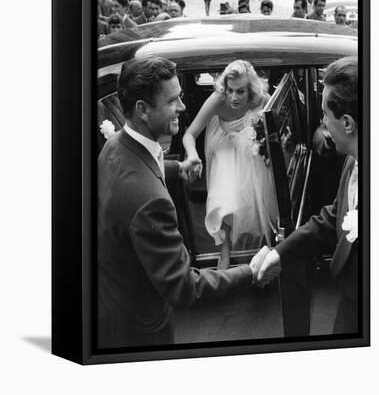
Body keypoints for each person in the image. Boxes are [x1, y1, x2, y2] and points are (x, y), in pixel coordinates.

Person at [97, 57, 255, 348]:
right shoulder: (150, 202)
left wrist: (176, 168)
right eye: (173, 100)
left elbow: (142, 168)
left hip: (112, 302)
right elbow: (184, 287)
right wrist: (250, 272)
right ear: (143, 110)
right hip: (140, 331)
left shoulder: (114, 144)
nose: (183, 107)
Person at [251, 56, 358, 334]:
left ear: (347, 123)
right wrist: (280, 253)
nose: (322, 122)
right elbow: (335, 215)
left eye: (325, 114)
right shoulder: (352, 160)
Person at [182, 60, 279, 269]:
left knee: (257, 194)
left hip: (249, 144)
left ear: (250, 90)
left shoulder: (261, 98)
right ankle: (224, 252)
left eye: (240, 92)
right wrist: (192, 154)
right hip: (223, 141)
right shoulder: (218, 98)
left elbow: (278, 119)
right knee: (225, 199)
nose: (234, 97)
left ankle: (269, 247)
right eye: (230, 90)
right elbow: (190, 133)